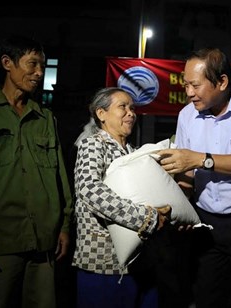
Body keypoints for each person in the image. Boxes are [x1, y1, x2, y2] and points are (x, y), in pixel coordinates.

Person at [0, 35, 73, 308]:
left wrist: (64, 225)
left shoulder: (45, 118)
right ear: (7, 63)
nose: (39, 73)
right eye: (32, 64)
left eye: (42, 65)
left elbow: (60, 178)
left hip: (45, 243)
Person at [156, 47, 231, 308]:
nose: (189, 93)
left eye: (196, 85)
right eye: (186, 84)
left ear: (222, 82)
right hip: (206, 222)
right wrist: (180, 208)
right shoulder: (186, 115)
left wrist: (200, 159)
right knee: (206, 295)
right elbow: (187, 173)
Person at [71, 87, 173, 308]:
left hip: (141, 262)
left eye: (133, 108)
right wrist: (146, 218)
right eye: (123, 107)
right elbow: (89, 190)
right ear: (101, 114)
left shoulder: (133, 151)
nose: (131, 113)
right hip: (104, 262)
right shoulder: (93, 145)